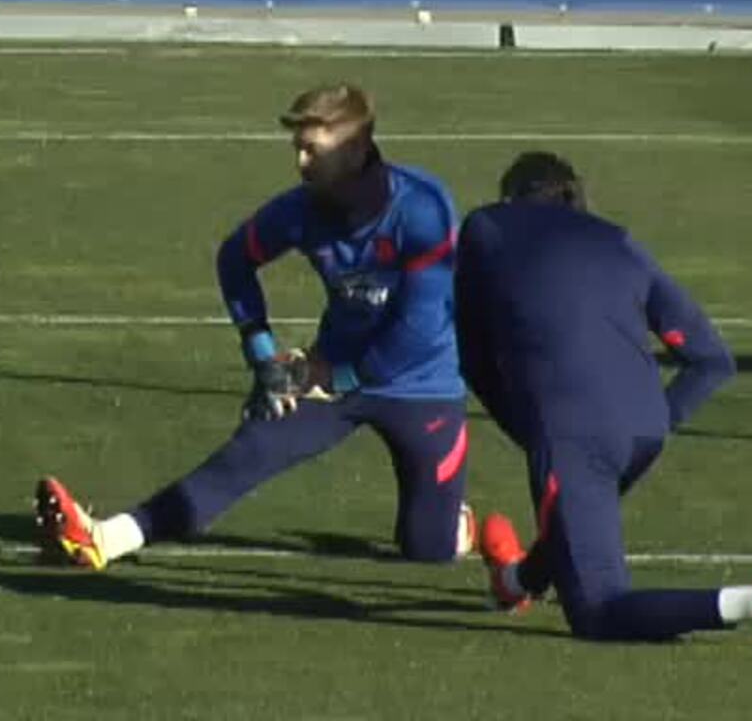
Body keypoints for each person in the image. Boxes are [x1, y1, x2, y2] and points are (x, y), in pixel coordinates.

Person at [37, 84, 473, 569]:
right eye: (297, 149)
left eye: (312, 150)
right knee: (250, 453)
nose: (300, 163)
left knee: (428, 550)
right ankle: (105, 538)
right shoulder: (302, 210)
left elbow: (417, 330)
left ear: (354, 149)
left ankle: (453, 522)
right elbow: (235, 259)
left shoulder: (423, 208)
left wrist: (333, 376)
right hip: (329, 371)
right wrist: (263, 354)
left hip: (421, 384)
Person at [459, 151, 752, 656]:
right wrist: (656, 422)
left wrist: (529, 429)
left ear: (511, 196)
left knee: (598, 609)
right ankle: (515, 581)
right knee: (580, 516)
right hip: (642, 431)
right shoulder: (619, 241)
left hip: (572, 434)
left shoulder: (486, 226)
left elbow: (474, 356)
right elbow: (711, 360)